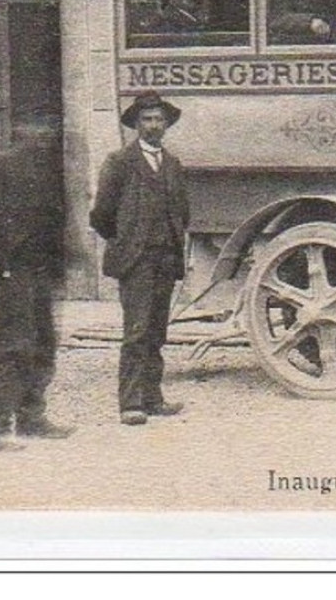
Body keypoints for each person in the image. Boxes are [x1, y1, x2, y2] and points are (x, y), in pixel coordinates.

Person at [89, 92, 191, 426]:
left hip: (165, 258)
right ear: (136, 124)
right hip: (136, 260)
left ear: (166, 124)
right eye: (146, 119)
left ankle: (153, 397)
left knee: (157, 331)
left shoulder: (172, 164)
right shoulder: (120, 162)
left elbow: (182, 212)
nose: (153, 125)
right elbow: (101, 214)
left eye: (159, 119)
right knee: (136, 331)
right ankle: (130, 403)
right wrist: (126, 242)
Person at [0, 119, 73, 451]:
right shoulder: (2, 165)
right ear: (20, 132)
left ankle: (32, 416)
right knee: (13, 344)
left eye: (47, 132)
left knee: (43, 341)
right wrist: (1, 262)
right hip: (16, 268)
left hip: (41, 268)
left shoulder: (48, 168)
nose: (44, 136)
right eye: (37, 129)